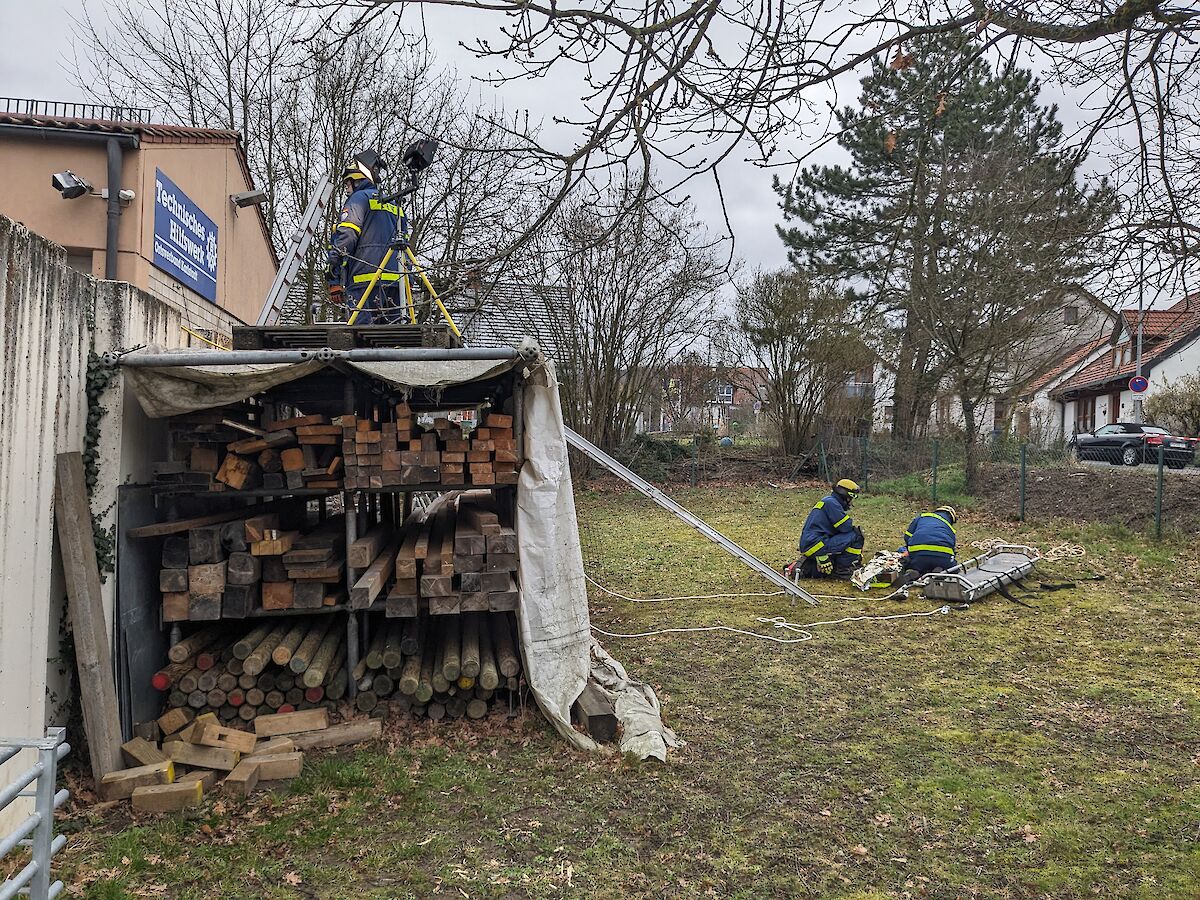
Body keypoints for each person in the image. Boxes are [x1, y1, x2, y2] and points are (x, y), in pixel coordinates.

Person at [326, 155, 406, 324]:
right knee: (395, 340)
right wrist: (409, 281)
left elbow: (347, 236)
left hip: (365, 282)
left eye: (348, 184)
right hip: (396, 286)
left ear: (357, 180)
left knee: (361, 339)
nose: (347, 190)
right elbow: (405, 244)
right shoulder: (394, 204)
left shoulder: (358, 199)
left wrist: (333, 271)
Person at [791, 478, 865, 578]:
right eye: (851, 498)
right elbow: (846, 527)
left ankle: (806, 567)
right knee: (856, 534)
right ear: (847, 496)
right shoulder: (832, 503)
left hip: (812, 544)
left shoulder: (828, 501)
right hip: (817, 544)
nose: (851, 502)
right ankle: (844, 569)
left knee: (847, 537)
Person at [898, 505, 958, 577]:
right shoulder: (950, 528)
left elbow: (907, 536)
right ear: (951, 518)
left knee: (910, 562)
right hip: (943, 556)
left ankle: (916, 572)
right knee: (953, 567)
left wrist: (909, 551)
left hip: (919, 555)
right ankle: (941, 571)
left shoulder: (922, 516)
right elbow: (952, 548)